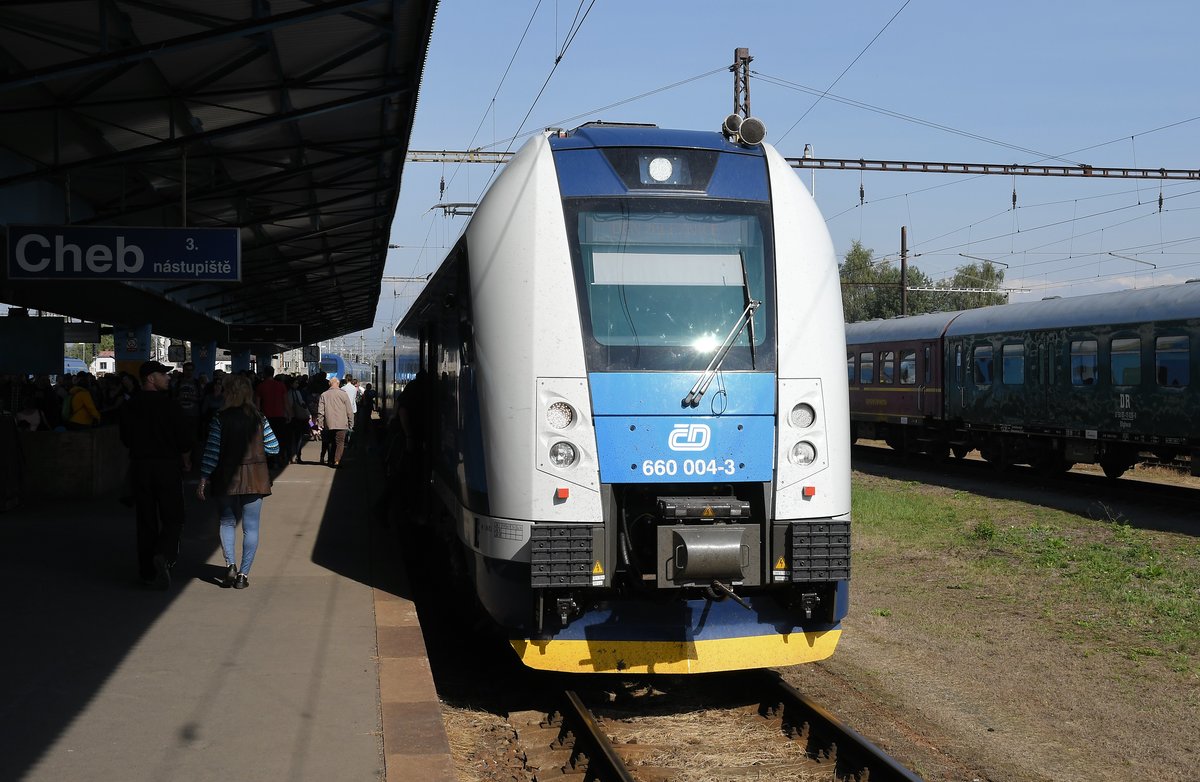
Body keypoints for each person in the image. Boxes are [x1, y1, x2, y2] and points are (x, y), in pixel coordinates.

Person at [197, 374, 279, 589]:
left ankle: (230, 564)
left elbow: (212, 453)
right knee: (251, 527)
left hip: (226, 476)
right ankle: (243, 575)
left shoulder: (219, 418)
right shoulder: (259, 418)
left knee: (226, 522)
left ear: (228, 393)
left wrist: (204, 478)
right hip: (255, 477)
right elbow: (274, 447)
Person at [119, 360, 194, 590]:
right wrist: (186, 459)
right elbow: (183, 438)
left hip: (141, 467)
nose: (168, 378)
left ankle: (147, 573)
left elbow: (125, 438)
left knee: (145, 520)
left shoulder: (129, 406)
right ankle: (163, 553)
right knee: (174, 516)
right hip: (167, 467)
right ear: (151, 378)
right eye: (163, 374)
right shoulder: (171, 406)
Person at [253, 366, 289, 469]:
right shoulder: (281, 386)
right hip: (280, 416)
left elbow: (257, 405)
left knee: (267, 440)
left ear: (264, 374)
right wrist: (288, 413)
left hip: (266, 418)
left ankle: (270, 461)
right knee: (280, 439)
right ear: (273, 373)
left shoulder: (260, 386)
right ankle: (280, 458)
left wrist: (257, 416)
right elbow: (286, 402)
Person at [317, 376, 353, 467]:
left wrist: (320, 423)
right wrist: (351, 422)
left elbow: (321, 411)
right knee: (340, 442)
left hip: (328, 423)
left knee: (330, 442)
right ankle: (337, 460)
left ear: (329, 384)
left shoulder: (324, 395)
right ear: (338, 384)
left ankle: (330, 460)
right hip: (342, 423)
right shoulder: (343, 394)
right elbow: (349, 410)